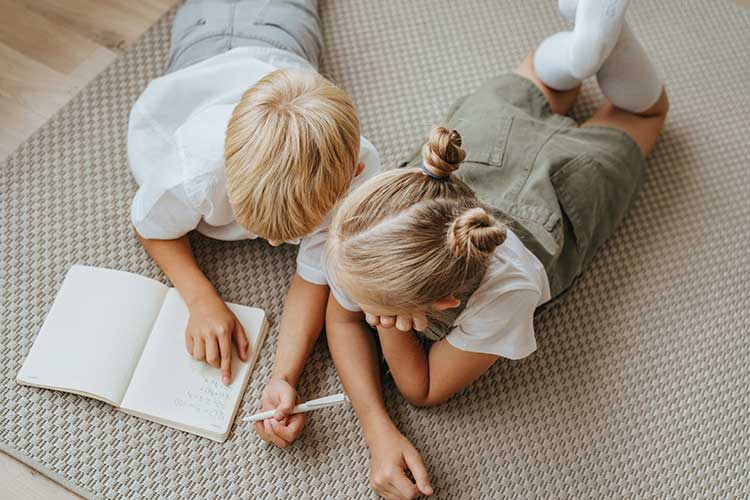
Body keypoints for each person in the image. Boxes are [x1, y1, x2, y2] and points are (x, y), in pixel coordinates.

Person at [324, 0, 669, 498]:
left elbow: (420, 390)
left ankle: (587, 49)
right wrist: (376, 427)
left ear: (442, 306)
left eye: (374, 308)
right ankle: (582, 51)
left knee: (646, 112)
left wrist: (389, 331)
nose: (345, 298)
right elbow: (340, 316)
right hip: (484, 146)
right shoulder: (371, 229)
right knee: (543, 81)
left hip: (565, 185)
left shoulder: (506, 294)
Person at [127, 0, 380, 448]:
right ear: (227, 173)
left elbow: (314, 274)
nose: (273, 242)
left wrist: (284, 376)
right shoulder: (193, 171)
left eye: (288, 234)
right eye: (259, 226)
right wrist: (200, 298)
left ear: (352, 174)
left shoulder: (358, 168)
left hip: (284, 32)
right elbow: (151, 226)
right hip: (203, 40)